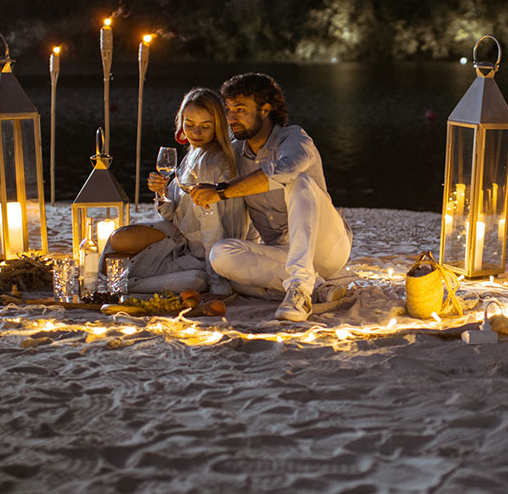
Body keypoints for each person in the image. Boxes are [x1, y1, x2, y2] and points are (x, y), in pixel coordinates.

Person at [195, 73, 353, 322]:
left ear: (265, 110)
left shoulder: (294, 138)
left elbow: (287, 169)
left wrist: (223, 191)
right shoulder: (235, 152)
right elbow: (200, 166)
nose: (231, 118)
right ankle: (319, 287)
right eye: (227, 110)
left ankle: (300, 288)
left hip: (328, 247)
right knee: (220, 254)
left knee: (297, 180)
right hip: (281, 252)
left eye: (239, 109)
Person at [102, 87, 249, 299]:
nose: (196, 133)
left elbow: (212, 227)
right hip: (180, 237)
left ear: (217, 126)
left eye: (205, 127)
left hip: (205, 251)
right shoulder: (194, 153)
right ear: (181, 123)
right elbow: (171, 215)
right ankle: (127, 280)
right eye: (189, 125)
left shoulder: (212, 163)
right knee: (118, 242)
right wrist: (161, 192)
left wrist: (218, 280)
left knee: (193, 281)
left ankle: (129, 286)